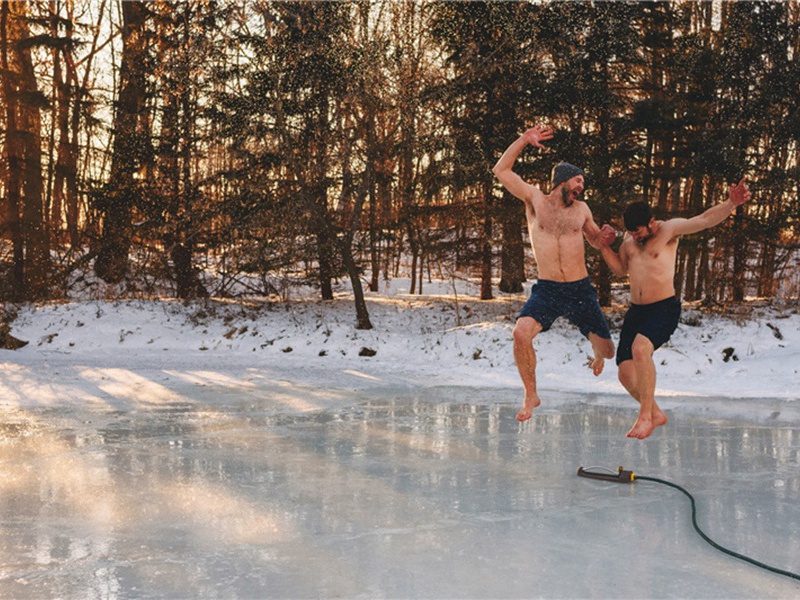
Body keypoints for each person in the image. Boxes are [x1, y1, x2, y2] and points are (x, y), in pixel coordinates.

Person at [598, 179, 751, 439]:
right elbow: (620, 269)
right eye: (632, 233)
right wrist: (602, 246)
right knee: (625, 373)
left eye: (639, 232)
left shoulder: (668, 231)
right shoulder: (630, 240)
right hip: (637, 311)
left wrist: (731, 204)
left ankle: (645, 416)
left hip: (663, 309)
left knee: (640, 350)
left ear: (651, 222)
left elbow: (704, 219)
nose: (635, 237)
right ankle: (655, 412)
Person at [492, 125, 615, 422]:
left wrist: (605, 237)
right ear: (562, 181)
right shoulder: (535, 200)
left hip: (580, 290)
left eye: (582, 182)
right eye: (578, 180)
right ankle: (530, 394)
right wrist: (523, 139)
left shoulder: (582, 209)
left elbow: (595, 240)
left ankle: (597, 353)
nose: (581, 185)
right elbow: (501, 171)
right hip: (548, 290)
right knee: (521, 334)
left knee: (610, 352)